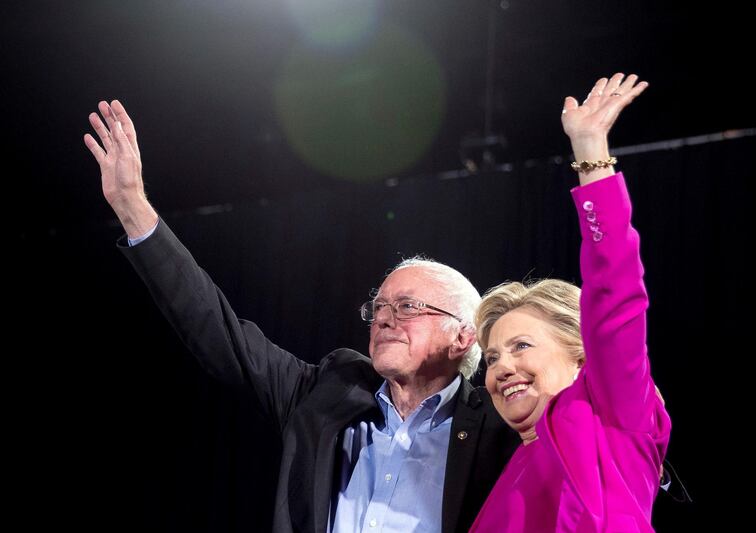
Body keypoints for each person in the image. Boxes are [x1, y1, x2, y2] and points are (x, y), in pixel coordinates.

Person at [83, 102, 519, 532]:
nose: (385, 319)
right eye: (379, 307)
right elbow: (218, 332)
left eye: (408, 307)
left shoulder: (499, 430)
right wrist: (132, 208)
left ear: (463, 337)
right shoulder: (329, 393)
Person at [469, 73, 670, 532]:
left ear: (580, 352)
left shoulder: (613, 414)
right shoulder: (503, 477)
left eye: (521, 346)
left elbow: (616, 289)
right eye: (494, 356)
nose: (500, 368)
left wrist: (590, 150)